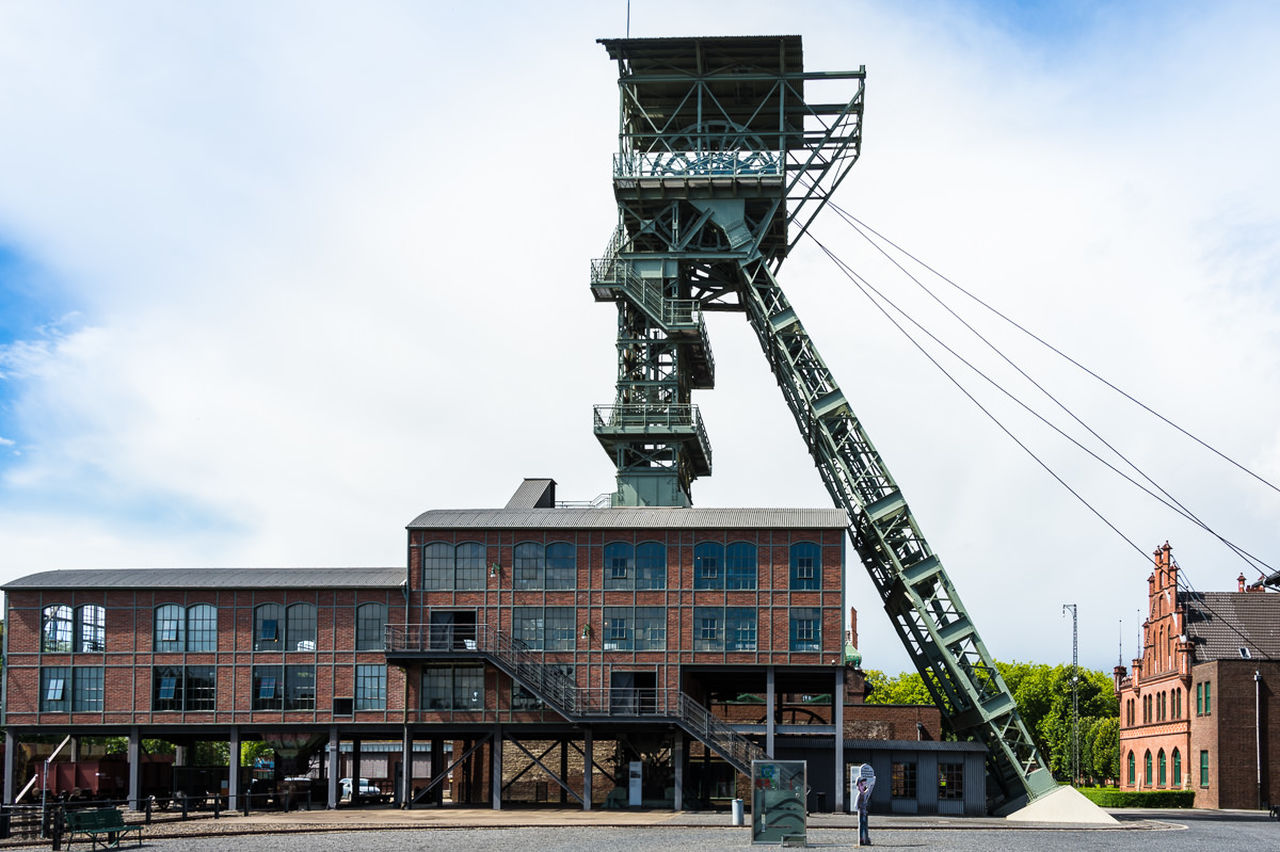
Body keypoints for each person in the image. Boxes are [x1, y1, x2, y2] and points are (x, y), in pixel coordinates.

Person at [856, 777, 871, 846]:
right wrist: (860, 808)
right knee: (862, 825)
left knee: (864, 825)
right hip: (862, 812)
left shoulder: (862, 794)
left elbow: (867, 791)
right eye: (862, 784)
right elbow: (856, 805)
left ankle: (865, 838)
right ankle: (862, 838)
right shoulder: (860, 795)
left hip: (863, 812)